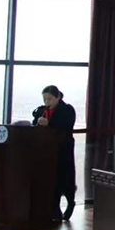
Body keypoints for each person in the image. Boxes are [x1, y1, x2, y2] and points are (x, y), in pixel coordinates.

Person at [32, 85, 76, 221]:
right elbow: (33, 127)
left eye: (49, 99)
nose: (47, 102)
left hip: (63, 150)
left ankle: (70, 203)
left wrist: (49, 124)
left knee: (65, 178)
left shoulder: (67, 110)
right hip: (46, 151)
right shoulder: (41, 111)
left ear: (57, 97)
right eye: (45, 99)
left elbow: (66, 127)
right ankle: (53, 210)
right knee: (51, 180)